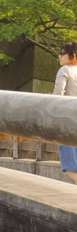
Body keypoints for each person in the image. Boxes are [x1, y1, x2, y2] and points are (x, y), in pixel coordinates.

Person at [53, 42, 77, 184]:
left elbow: (58, 95)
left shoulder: (64, 70)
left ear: (72, 55)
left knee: (69, 166)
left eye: (63, 53)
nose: (59, 56)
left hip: (68, 120)